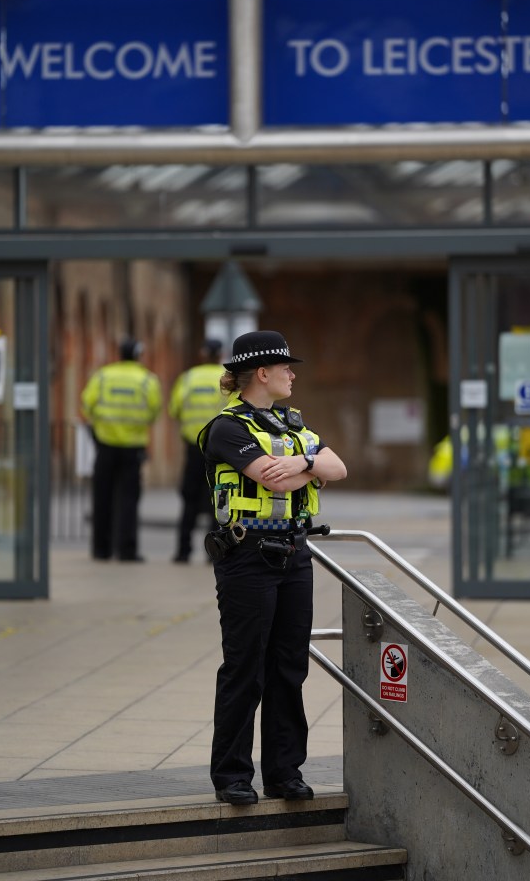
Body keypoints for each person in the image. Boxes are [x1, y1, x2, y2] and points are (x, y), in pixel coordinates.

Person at [198, 330, 347, 806]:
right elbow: (272, 482)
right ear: (261, 373)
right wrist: (312, 464)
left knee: (288, 667)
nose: (292, 374)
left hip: (295, 554)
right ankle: (233, 776)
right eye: (286, 367)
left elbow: (339, 468)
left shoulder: (293, 424)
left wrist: (303, 460)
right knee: (246, 667)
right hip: (247, 555)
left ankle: (285, 773)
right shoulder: (227, 428)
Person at [81, 336, 162, 562]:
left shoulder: (103, 376)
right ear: (138, 355)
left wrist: (102, 424)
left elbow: (87, 404)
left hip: (105, 444)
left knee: (102, 497)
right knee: (128, 499)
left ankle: (101, 549)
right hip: (132, 448)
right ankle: (126, 550)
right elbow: (155, 410)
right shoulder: (147, 380)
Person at [168, 338, 225, 563]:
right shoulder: (227, 378)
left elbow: (174, 409)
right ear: (220, 355)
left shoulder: (188, 378)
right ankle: (213, 553)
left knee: (189, 500)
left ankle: (183, 551)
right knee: (217, 499)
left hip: (193, 447)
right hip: (218, 449)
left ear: (202, 355)